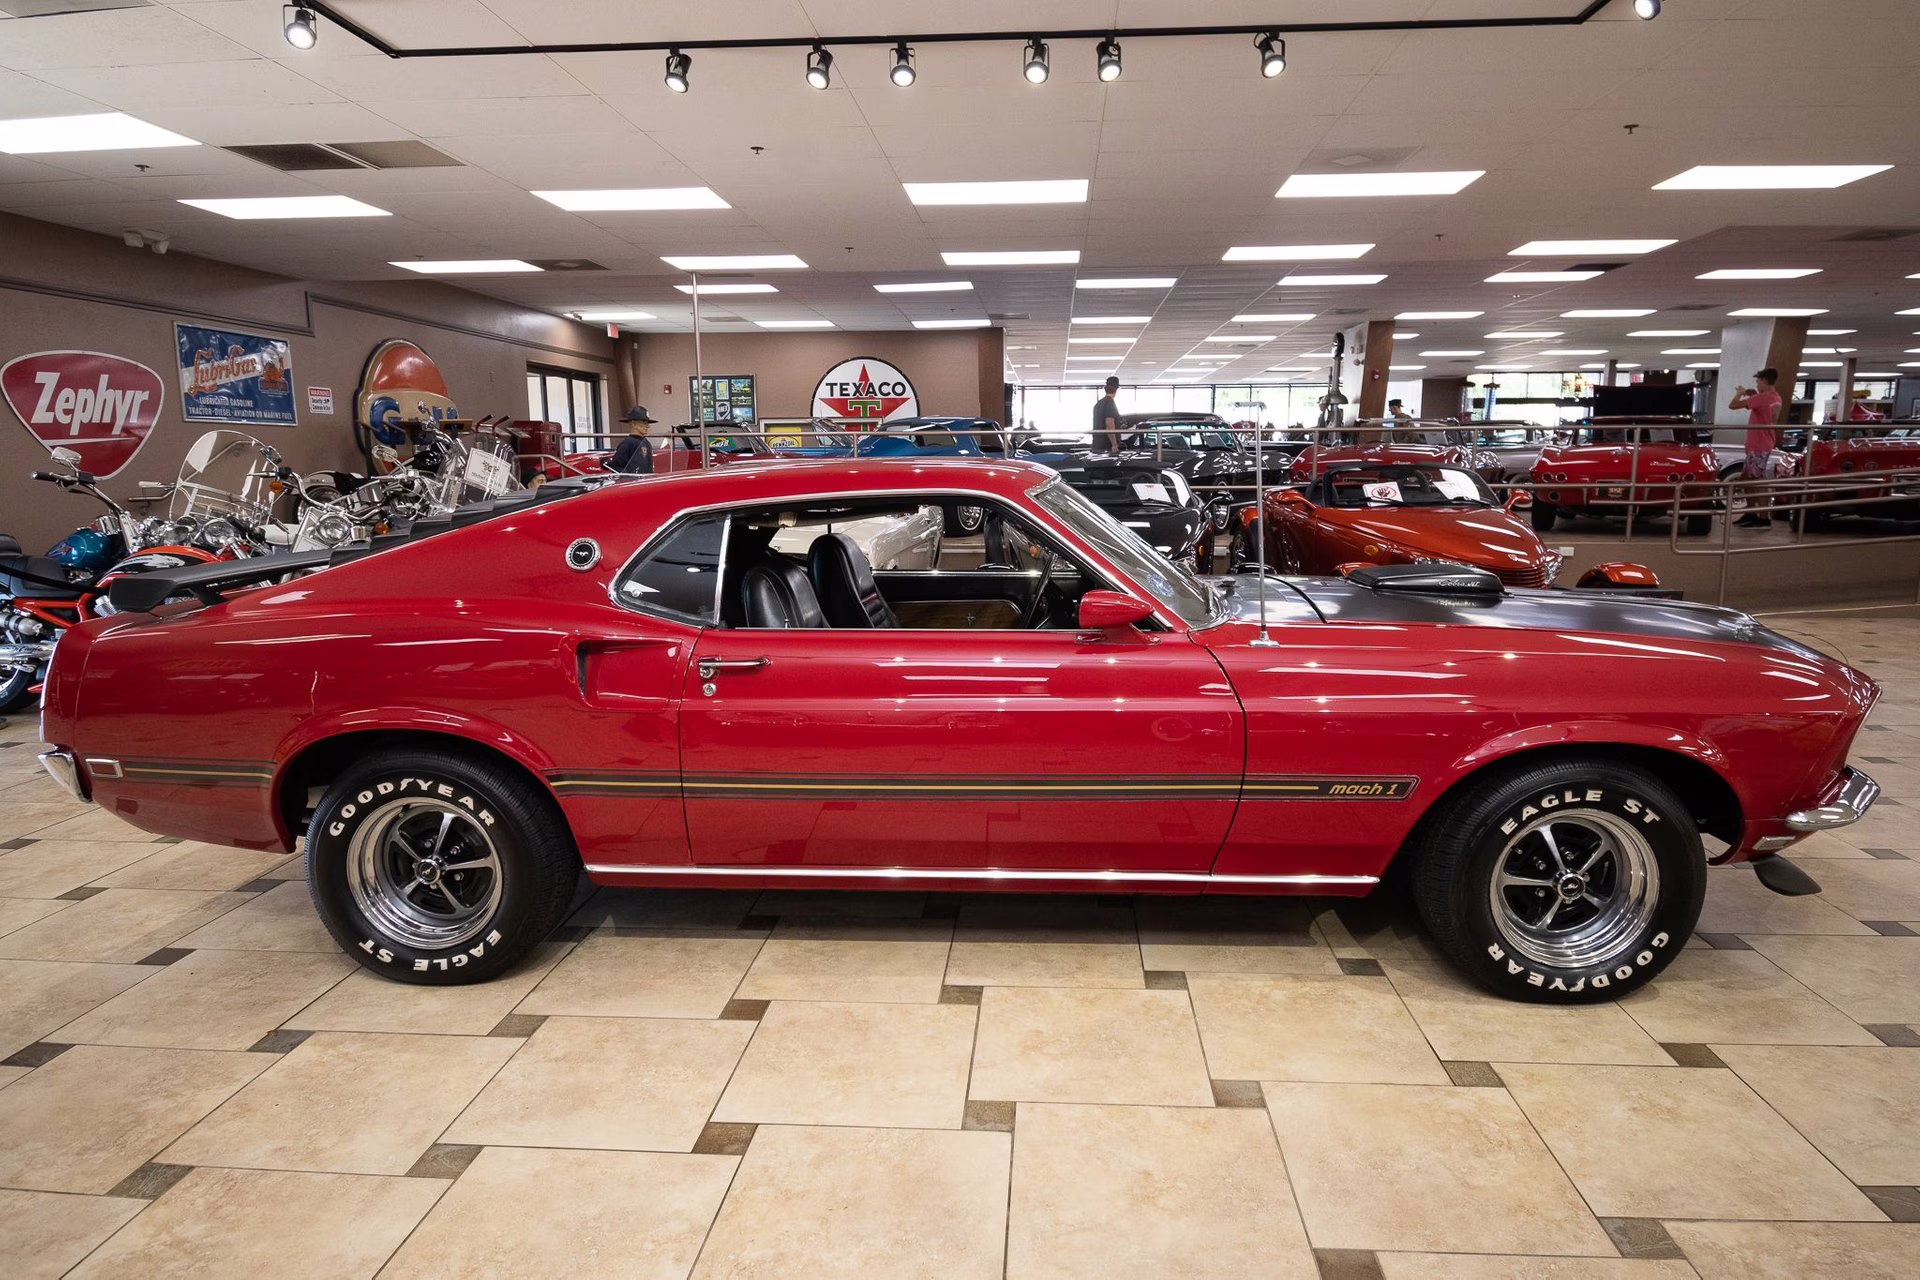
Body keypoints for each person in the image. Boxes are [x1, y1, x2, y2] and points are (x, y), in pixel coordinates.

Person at [1730, 369, 1783, 527]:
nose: (1757, 384)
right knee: (1749, 479)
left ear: (1765, 381)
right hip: (1763, 442)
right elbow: (1763, 409)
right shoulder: (1775, 397)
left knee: (1757, 481)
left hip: (1758, 445)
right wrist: (1753, 395)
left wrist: (1739, 393)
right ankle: (1752, 512)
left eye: (1758, 381)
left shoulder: (1762, 398)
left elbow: (1733, 405)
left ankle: (1762, 517)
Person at [608, 406, 657, 474]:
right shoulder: (627, 444)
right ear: (633, 424)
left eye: (647, 423)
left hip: (646, 481)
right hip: (633, 482)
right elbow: (617, 467)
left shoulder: (646, 443)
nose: (647, 426)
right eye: (643, 422)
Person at [1092, 377, 1121, 453]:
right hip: (1106, 446)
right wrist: (1114, 444)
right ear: (1116, 389)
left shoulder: (1098, 403)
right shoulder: (1110, 403)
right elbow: (1109, 424)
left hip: (1097, 444)